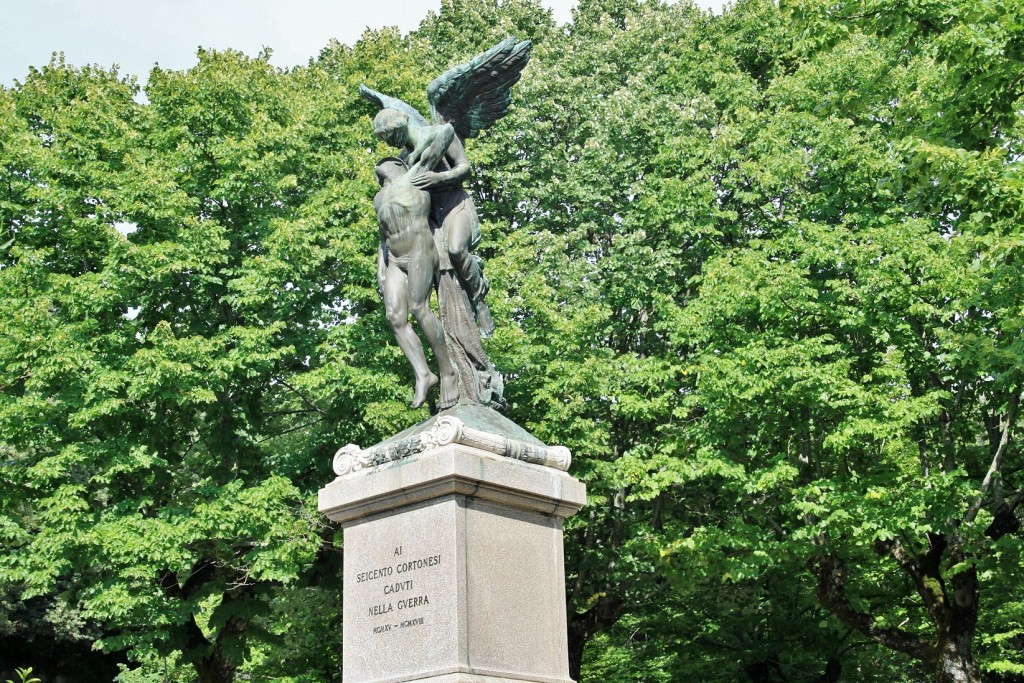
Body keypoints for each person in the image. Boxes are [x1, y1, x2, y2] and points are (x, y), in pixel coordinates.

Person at [372, 109, 494, 336]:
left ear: (402, 124)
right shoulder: (403, 159)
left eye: (391, 134)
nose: (389, 141)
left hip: (454, 205)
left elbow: (464, 167)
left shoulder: (438, 134)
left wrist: (439, 178)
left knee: (456, 249)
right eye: (385, 138)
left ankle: (479, 300)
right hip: (431, 217)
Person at [373, 122, 460, 409]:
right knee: (394, 316)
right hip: (396, 258)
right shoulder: (379, 198)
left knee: (418, 307)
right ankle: (424, 374)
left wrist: (416, 152)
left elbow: (445, 131)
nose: (381, 164)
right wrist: (381, 269)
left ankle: (447, 372)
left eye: (388, 161)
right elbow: (383, 238)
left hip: (420, 246)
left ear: (399, 164)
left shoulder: (416, 173)